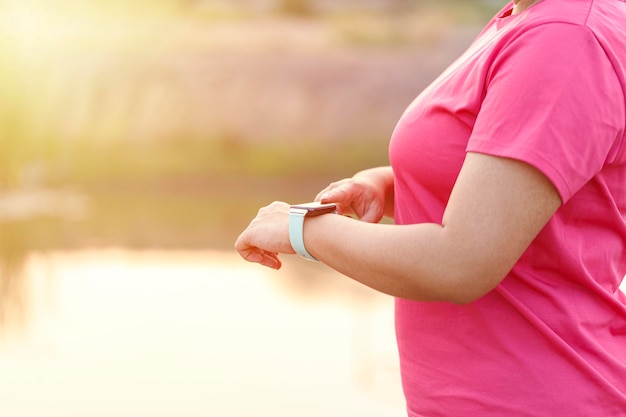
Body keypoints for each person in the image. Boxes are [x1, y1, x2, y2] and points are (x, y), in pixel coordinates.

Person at [235, 0, 626, 415]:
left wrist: (302, 228)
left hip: (534, 399)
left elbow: (461, 262)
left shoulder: (566, 38)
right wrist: (387, 185)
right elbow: (509, 183)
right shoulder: (528, 17)